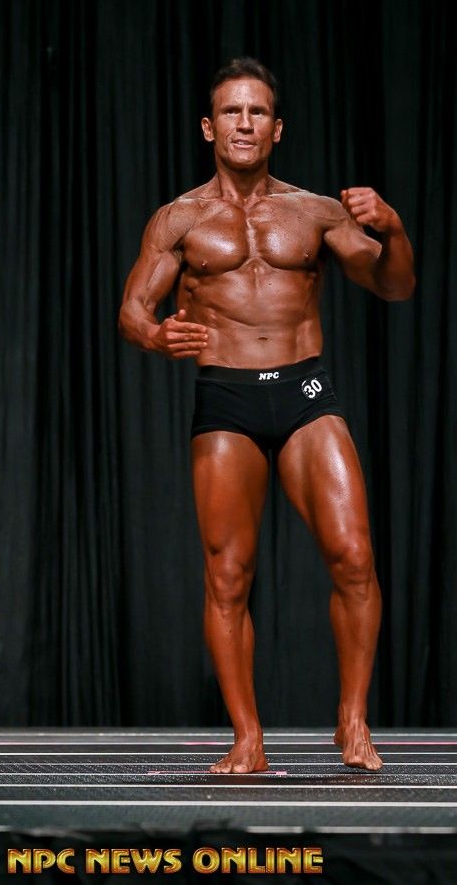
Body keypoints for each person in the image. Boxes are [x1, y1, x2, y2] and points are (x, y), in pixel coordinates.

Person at [119, 57, 415, 774]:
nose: (244, 123)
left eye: (257, 112)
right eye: (232, 111)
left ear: (276, 129)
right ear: (208, 126)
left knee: (354, 557)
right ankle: (247, 739)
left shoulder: (316, 212)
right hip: (227, 397)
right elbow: (132, 309)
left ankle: (353, 720)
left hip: (305, 390)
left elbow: (395, 285)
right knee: (228, 574)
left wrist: (395, 229)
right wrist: (156, 337)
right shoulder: (179, 219)